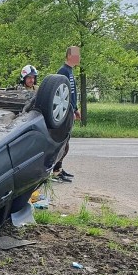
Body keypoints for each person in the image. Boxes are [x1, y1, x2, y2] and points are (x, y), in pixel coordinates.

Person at [52, 46, 81, 183]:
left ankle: (59, 169)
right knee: (63, 143)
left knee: (66, 142)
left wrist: (75, 109)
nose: (79, 57)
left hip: (70, 110)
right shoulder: (63, 71)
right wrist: (68, 110)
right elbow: (61, 94)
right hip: (64, 112)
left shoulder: (70, 71)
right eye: (76, 55)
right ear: (69, 55)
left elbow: (72, 93)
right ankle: (56, 171)